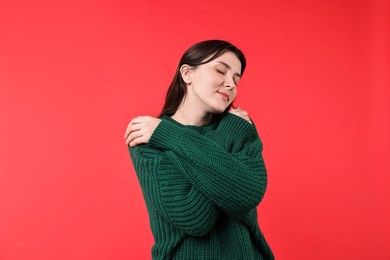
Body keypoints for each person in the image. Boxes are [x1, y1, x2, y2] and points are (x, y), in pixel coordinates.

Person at [124, 40, 274, 260]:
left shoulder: (238, 128)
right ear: (187, 74)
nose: (231, 84)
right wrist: (169, 134)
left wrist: (173, 136)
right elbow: (194, 218)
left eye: (236, 79)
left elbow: (249, 192)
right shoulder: (148, 139)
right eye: (220, 70)